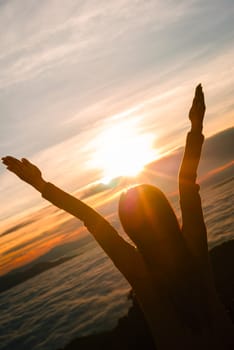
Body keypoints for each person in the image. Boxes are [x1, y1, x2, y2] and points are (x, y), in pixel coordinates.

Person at [2, 85, 234, 349]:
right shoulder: (193, 248)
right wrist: (196, 127)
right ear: (166, 214)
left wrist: (41, 185)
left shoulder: (140, 271)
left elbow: (91, 219)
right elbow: (186, 183)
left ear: (131, 230)